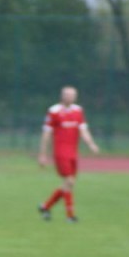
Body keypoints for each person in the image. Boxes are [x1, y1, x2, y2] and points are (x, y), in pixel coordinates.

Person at [37, 86, 100, 223]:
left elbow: (83, 130)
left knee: (69, 184)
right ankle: (70, 216)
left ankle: (46, 207)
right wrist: (42, 154)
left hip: (73, 153)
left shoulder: (78, 111)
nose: (70, 97)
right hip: (60, 152)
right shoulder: (54, 111)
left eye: (72, 95)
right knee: (69, 181)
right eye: (67, 94)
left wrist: (91, 144)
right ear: (62, 96)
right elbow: (46, 134)